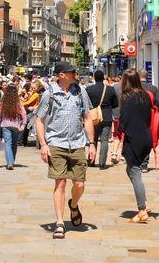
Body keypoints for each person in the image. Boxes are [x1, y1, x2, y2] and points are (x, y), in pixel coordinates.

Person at [35, 61, 96, 240]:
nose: (75, 74)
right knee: (60, 183)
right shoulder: (49, 94)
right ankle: (60, 222)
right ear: (62, 75)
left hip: (77, 143)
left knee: (80, 184)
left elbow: (87, 118)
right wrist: (44, 144)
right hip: (56, 143)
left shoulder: (80, 91)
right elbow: (39, 120)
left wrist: (91, 143)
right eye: (72, 72)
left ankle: (74, 204)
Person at [118, 69, 153, 223]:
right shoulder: (145, 95)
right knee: (131, 170)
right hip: (146, 137)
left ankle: (142, 210)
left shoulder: (127, 97)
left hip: (134, 139)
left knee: (135, 172)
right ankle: (144, 202)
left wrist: (121, 129)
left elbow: (123, 121)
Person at [85, 70, 118, 170]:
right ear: (103, 78)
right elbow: (115, 104)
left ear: (94, 78)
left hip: (93, 117)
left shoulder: (89, 89)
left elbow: (85, 103)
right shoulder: (110, 90)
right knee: (104, 140)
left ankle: (91, 161)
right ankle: (102, 163)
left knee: (93, 140)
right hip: (106, 117)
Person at [0, 84, 27, 169]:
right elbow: (24, 113)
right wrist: (24, 124)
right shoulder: (18, 101)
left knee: (8, 143)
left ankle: (10, 162)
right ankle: (11, 161)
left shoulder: (3, 101)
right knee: (14, 144)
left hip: (5, 125)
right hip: (16, 125)